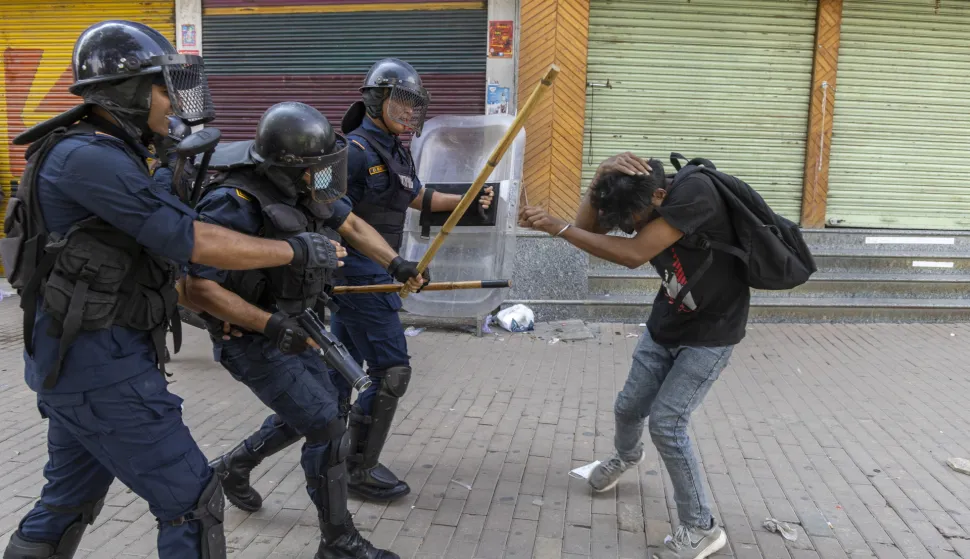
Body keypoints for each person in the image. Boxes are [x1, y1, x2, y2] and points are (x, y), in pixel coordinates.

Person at [0, 21, 343, 559]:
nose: (176, 104)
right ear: (125, 92)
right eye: (164, 88)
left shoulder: (106, 151)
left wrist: (167, 163)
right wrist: (296, 250)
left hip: (82, 363)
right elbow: (189, 239)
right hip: (100, 369)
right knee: (192, 499)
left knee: (66, 505)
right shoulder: (88, 157)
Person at [183, 101, 423, 558]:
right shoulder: (233, 202)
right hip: (253, 339)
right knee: (327, 424)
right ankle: (339, 542)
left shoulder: (310, 184)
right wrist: (268, 324)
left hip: (298, 326)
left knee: (320, 411)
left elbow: (349, 220)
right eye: (318, 167)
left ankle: (234, 467)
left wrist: (395, 262)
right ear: (287, 166)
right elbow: (195, 286)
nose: (327, 176)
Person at [518, 152, 750, 559]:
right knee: (628, 407)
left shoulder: (697, 193)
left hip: (712, 332)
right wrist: (597, 178)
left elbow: (631, 254)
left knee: (667, 422)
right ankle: (626, 457)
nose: (628, 227)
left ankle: (701, 527)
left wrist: (559, 227)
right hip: (667, 323)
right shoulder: (638, 192)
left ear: (660, 196)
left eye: (634, 220)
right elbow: (588, 228)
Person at [328, 57, 493, 502]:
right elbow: (334, 216)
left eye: (413, 104)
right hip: (359, 275)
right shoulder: (353, 152)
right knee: (391, 371)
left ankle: (244, 462)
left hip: (379, 270)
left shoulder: (395, 150)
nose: (408, 112)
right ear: (376, 99)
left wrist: (468, 199)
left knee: (336, 376)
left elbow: (415, 195)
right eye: (400, 101)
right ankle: (359, 470)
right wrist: (392, 263)